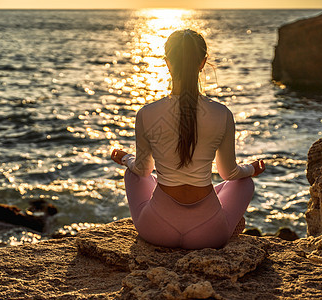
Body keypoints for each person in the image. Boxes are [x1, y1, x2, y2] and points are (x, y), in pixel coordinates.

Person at [111, 29, 265, 249]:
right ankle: (229, 225)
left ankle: (220, 219)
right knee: (243, 182)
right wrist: (251, 169)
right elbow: (228, 173)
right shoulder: (222, 114)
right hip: (209, 234)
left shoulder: (147, 113)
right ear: (202, 63)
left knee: (133, 173)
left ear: (167, 63)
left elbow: (144, 170)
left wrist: (126, 158)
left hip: (156, 229)